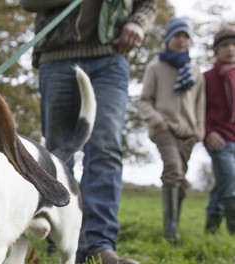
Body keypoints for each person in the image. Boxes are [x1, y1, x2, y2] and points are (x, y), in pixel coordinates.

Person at [19, 1, 157, 263]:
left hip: (111, 54)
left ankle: (98, 244)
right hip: (56, 56)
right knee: (57, 154)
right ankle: (56, 234)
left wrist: (138, 22)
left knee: (105, 148)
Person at [139, 17, 205, 244]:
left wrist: (199, 131)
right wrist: (158, 120)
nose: (182, 40)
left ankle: (173, 224)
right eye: (178, 36)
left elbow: (199, 104)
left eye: (186, 37)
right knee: (174, 170)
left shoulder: (195, 72)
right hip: (163, 129)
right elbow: (145, 100)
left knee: (180, 180)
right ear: (168, 39)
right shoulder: (155, 68)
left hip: (188, 133)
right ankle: (170, 231)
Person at [203, 26, 235, 235]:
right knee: (231, 182)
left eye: (233, 45)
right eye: (224, 45)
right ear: (216, 50)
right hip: (219, 139)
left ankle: (211, 229)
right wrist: (207, 133)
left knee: (222, 184)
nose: (230, 49)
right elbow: (198, 110)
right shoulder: (207, 78)